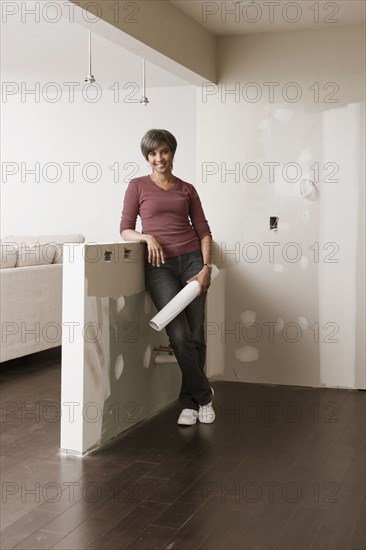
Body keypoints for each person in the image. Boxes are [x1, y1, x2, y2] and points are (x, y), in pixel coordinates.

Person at [119, 129, 215, 426]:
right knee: (178, 334)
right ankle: (205, 395)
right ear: (146, 158)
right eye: (152, 154)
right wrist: (147, 237)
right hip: (159, 267)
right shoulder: (137, 186)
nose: (158, 158)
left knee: (196, 334)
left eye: (163, 151)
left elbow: (203, 231)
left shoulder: (187, 189)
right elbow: (124, 229)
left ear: (172, 152)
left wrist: (206, 268)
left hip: (192, 262)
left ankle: (189, 404)